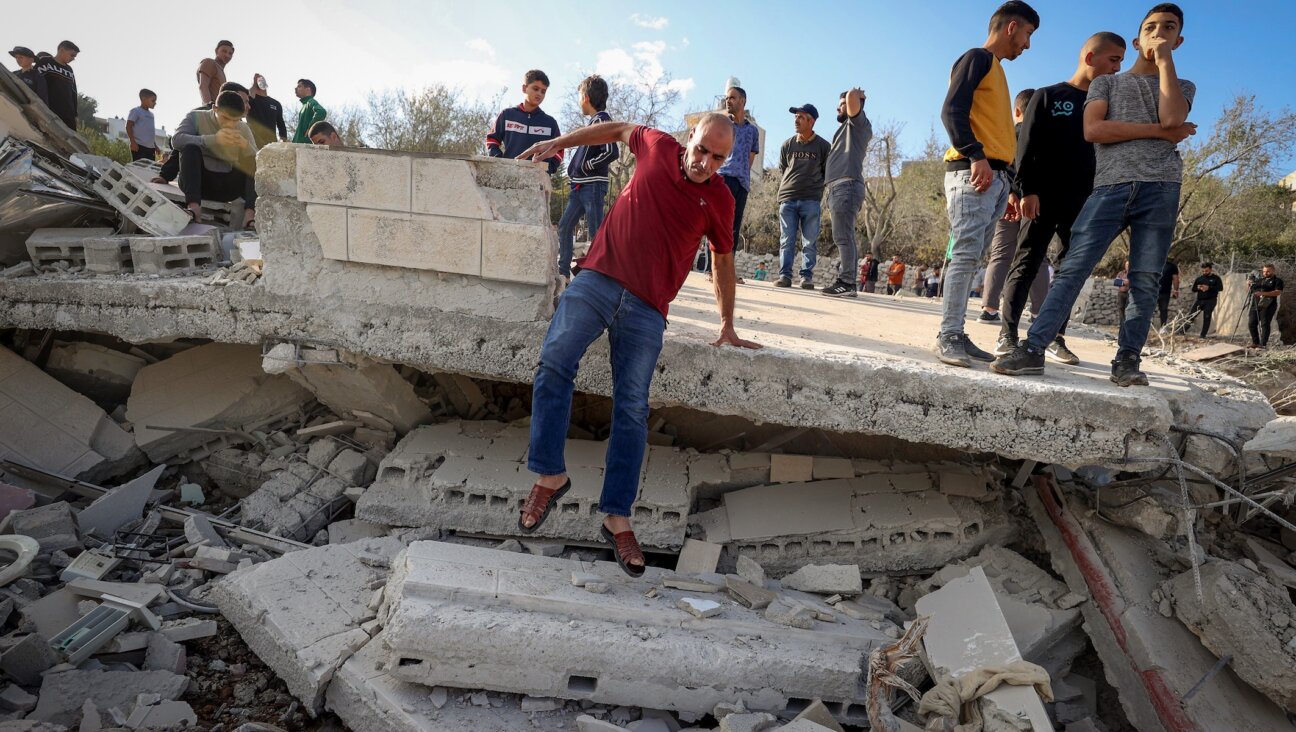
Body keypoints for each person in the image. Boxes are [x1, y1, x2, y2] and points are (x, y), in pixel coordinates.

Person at [513, 113, 759, 577]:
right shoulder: (657, 146)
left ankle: (616, 516)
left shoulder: (720, 199)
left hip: (648, 308)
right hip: (599, 279)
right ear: (691, 139)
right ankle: (551, 473)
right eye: (702, 149)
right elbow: (618, 128)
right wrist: (560, 142)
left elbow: (722, 263)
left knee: (630, 407)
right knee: (554, 361)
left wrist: (727, 324)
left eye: (719, 157)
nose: (706, 162)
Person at [993, 3, 1197, 386]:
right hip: (1108, 188)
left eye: (1168, 29)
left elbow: (1172, 117)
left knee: (1146, 277)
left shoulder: (1183, 86)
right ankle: (1033, 348)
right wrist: (1161, 133)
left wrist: (1166, 63)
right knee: (1072, 268)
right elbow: (1094, 130)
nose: (1159, 34)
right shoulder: (1107, 83)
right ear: (1138, 39)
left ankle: (1127, 361)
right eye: (1151, 28)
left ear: (1178, 39)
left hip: (1162, 188)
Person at [994, 32, 1128, 362]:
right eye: (1113, 60)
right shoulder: (1049, 96)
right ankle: (1007, 335)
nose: (1117, 68)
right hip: (1041, 198)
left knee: (1070, 270)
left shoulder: (1108, 106)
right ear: (1090, 58)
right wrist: (1026, 190)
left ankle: (1055, 337)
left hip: (1084, 203)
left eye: (1121, 62)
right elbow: (1026, 150)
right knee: (1026, 262)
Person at [936, 1, 1038, 367]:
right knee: (964, 253)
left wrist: (1009, 183)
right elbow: (951, 110)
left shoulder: (995, 70)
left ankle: (957, 334)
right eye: (1027, 35)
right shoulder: (977, 58)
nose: (1027, 45)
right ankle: (947, 335)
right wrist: (976, 155)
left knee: (972, 256)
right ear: (1012, 27)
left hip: (994, 177)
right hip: (972, 170)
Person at [977, 87, 1039, 323]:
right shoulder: (1045, 136)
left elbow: (1003, 166)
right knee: (1036, 256)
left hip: (1008, 201)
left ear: (1016, 110)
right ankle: (1038, 312)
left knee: (1000, 254)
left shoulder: (1007, 134)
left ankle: (989, 308)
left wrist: (1011, 192)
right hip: (1035, 202)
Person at [557, 75, 619, 278]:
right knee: (565, 227)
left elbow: (611, 151)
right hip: (579, 188)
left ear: (585, 97)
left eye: (578, 97)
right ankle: (563, 272)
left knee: (597, 233)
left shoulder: (602, 120)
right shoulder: (594, 122)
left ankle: (601, 276)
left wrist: (586, 166)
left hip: (592, 186)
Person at [169, 90, 257, 230]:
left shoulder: (242, 127)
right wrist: (212, 140)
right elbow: (176, 140)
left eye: (236, 120)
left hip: (228, 185)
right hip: (199, 183)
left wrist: (245, 146)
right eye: (226, 118)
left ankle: (249, 216)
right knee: (190, 148)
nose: (231, 125)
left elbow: (258, 160)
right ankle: (193, 208)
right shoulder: (195, 117)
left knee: (252, 158)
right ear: (215, 109)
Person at [821, 88, 873, 298]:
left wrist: (854, 94)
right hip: (838, 188)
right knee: (843, 236)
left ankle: (847, 282)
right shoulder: (846, 129)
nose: (837, 107)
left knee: (843, 236)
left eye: (841, 104)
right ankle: (847, 281)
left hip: (846, 187)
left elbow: (852, 97)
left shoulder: (858, 125)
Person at [775, 104, 831, 289]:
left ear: (811, 121)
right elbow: (784, 169)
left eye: (800, 117)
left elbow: (826, 172)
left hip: (811, 200)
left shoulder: (823, 146)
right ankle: (785, 276)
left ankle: (806, 277)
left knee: (809, 241)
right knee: (786, 240)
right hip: (788, 198)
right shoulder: (787, 144)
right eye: (795, 117)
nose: (796, 120)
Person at [713, 82, 761, 279]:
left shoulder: (753, 131)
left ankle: (727, 272)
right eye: (727, 97)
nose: (728, 100)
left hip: (742, 183)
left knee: (734, 226)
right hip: (722, 178)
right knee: (717, 224)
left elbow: (751, 155)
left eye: (732, 97)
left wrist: (742, 173)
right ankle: (714, 270)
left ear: (743, 100)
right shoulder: (722, 124)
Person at [485, 69, 562, 174]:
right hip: (508, 174)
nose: (539, 94)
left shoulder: (550, 123)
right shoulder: (507, 115)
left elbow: (559, 149)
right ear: (524, 88)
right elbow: (492, 140)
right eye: (535, 89)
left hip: (538, 179)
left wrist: (549, 168)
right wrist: (499, 160)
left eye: (543, 91)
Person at [35, 41, 78, 130]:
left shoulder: (69, 69)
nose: (73, 58)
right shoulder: (45, 62)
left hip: (68, 115)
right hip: (49, 111)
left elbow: (74, 92)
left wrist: (75, 114)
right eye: (72, 55)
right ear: (61, 50)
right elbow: (34, 82)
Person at [1181, 262, 1221, 337]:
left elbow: (1220, 288)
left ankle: (1203, 335)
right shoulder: (1199, 278)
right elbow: (1193, 289)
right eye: (1203, 271)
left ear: (1211, 270)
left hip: (1210, 300)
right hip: (1199, 300)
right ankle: (1182, 330)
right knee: (1191, 315)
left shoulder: (1216, 278)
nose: (1204, 272)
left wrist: (1209, 288)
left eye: (1206, 271)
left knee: (1207, 317)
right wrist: (1198, 288)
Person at [247, 74, 288, 149]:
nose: (260, 81)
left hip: (272, 144)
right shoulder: (250, 101)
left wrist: (283, 141)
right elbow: (249, 97)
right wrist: (254, 84)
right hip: (254, 142)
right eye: (258, 81)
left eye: (262, 79)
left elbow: (281, 124)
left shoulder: (275, 103)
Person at [1249, 264, 1284, 348]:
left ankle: (1263, 344)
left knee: (1264, 324)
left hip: (1268, 305)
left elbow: (1278, 292)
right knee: (1251, 323)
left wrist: (1263, 293)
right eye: (1264, 271)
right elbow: (1249, 291)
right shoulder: (1259, 280)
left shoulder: (1277, 281)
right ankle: (1255, 342)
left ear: (1273, 271)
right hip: (1255, 304)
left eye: (1268, 271)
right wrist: (1249, 284)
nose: (1265, 273)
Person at [198, 41, 234, 108]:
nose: (227, 55)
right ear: (216, 51)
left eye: (230, 53)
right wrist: (209, 108)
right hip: (212, 111)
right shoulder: (209, 62)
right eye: (224, 51)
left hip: (221, 113)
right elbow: (203, 86)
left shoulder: (222, 73)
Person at [126, 89, 158, 162]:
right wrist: (132, 142)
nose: (155, 103)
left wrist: (155, 146)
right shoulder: (136, 111)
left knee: (149, 170)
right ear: (143, 98)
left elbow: (150, 133)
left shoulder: (151, 115)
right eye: (153, 101)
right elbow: (128, 126)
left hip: (151, 149)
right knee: (139, 168)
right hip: (139, 147)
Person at [291, 80, 327, 144]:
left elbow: (321, 112)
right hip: (299, 146)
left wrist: (310, 128)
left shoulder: (310, 102)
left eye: (299, 86)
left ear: (308, 89)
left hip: (305, 146)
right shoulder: (304, 105)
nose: (296, 88)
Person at [1156, 257, 1180, 327]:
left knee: (1163, 310)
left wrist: (1175, 290)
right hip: (1152, 292)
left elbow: (1175, 279)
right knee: (1149, 309)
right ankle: (1146, 327)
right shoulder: (1153, 265)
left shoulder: (1172, 266)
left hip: (1165, 292)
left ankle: (1163, 327)